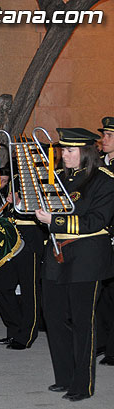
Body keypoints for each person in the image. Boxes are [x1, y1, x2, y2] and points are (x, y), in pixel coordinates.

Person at [35, 127, 114, 401]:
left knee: (83, 321)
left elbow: (96, 221)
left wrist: (53, 220)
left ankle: (83, 384)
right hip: (57, 254)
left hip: (86, 256)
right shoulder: (59, 179)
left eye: (69, 151)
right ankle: (64, 376)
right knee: (54, 317)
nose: (64, 155)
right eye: (62, 150)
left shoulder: (104, 180)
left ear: (85, 153)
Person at [0, 161, 45, 350]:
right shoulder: (15, 179)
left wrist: (20, 203)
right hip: (9, 239)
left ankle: (27, 334)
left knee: (29, 289)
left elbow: (43, 208)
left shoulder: (43, 180)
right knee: (2, 286)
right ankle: (14, 329)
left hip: (29, 240)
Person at [96, 117, 114, 365]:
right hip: (102, 238)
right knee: (102, 293)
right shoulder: (99, 164)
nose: (104, 139)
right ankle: (102, 341)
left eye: (109, 136)